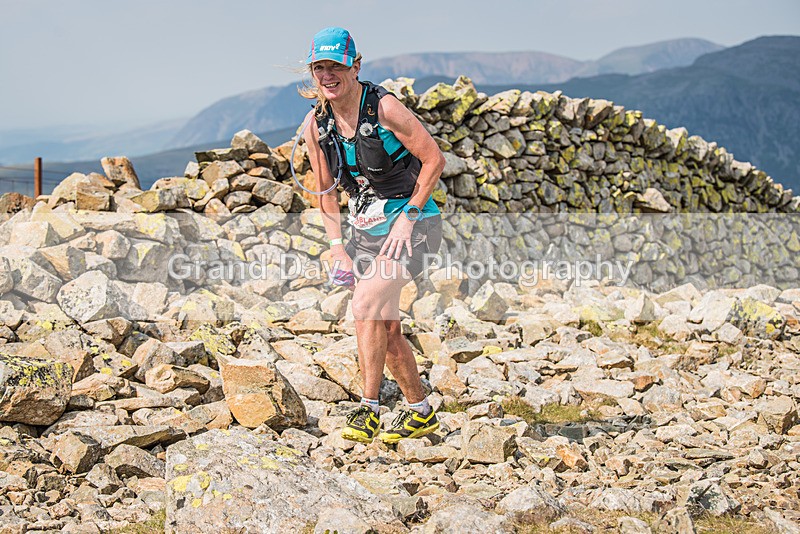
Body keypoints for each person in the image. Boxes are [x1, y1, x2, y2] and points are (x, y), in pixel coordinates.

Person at [300, 27, 445, 444]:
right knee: (386, 325)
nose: (328, 75)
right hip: (364, 230)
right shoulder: (316, 124)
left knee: (364, 303)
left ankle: (368, 408)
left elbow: (434, 159)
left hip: (413, 226)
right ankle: (420, 410)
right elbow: (325, 191)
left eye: (337, 66)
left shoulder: (384, 108)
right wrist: (335, 248)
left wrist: (408, 217)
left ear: (355, 66)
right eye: (319, 68)